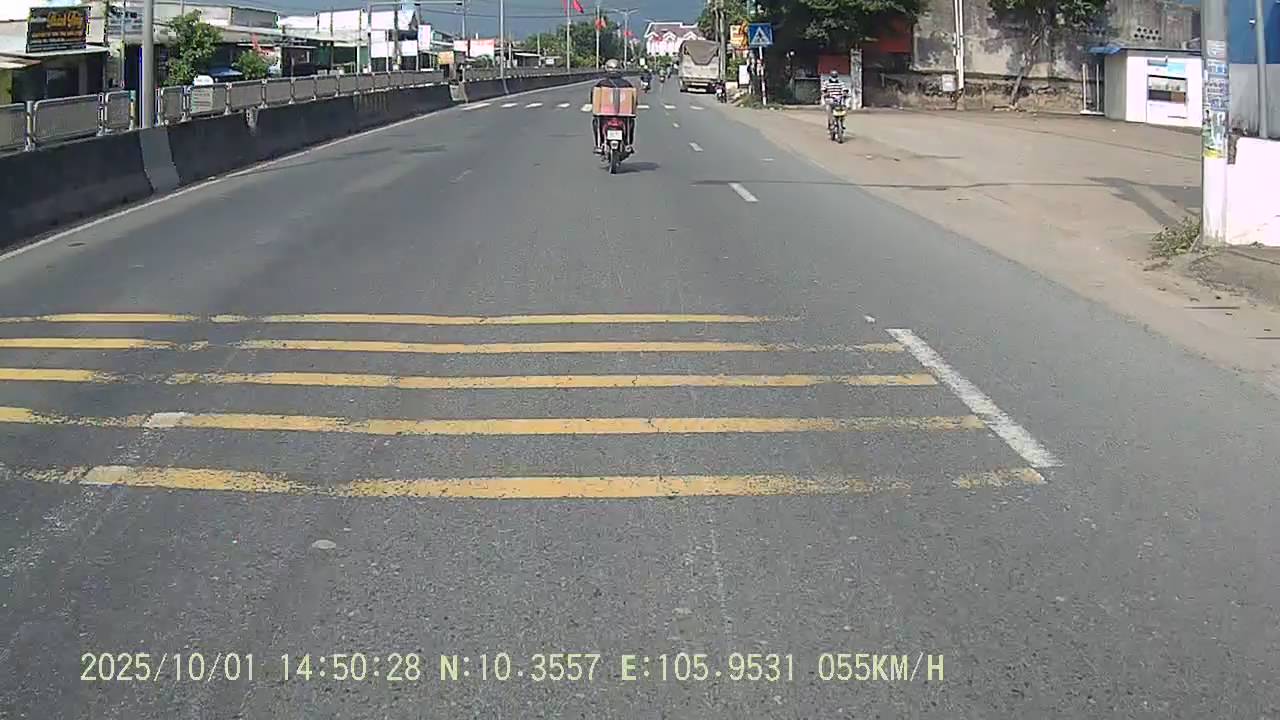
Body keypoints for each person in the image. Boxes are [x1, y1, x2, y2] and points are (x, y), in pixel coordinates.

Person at [591, 58, 635, 152]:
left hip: (604, 114)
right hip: (624, 115)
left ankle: (598, 144)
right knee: (630, 122)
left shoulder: (601, 84)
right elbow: (633, 99)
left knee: (596, 122)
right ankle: (628, 144)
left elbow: (594, 97)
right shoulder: (627, 84)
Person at [820, 69, 848, 134]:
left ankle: (842, 123)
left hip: (839, 100)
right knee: (829, 111)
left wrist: (844, 93)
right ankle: (831, 124)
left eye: (835, 75)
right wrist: (825, 94)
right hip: (830, 100)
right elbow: (823, 90)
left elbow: (844, 89)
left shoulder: (840, 82)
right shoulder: (827, 83)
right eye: (833, 75)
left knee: (844, 110)